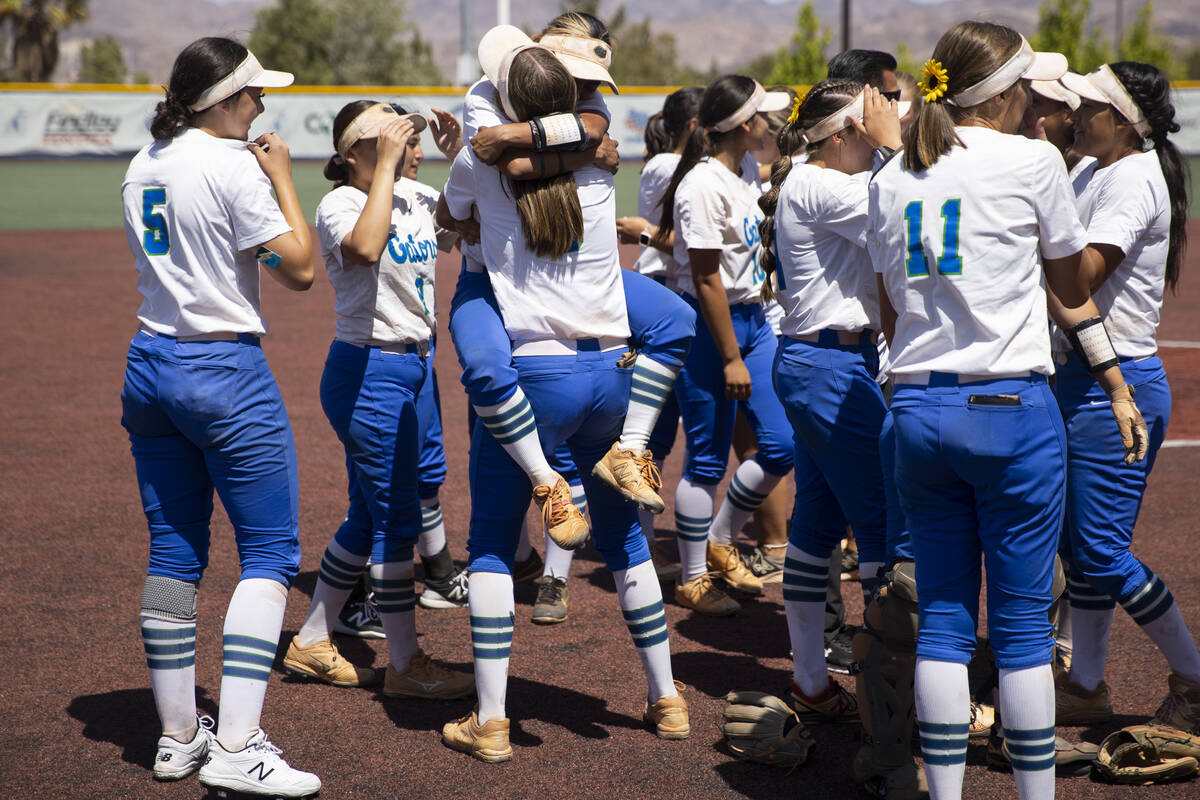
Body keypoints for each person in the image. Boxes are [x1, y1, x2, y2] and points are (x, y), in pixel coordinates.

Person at [867, 22, 1148, 800]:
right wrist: (1117, 385)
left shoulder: (893, 176)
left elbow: (886, 309)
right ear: (1009, 90)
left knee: (945, 622)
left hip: (919, 408)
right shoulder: (1032, 161)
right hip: (1010, 406)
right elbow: (1069, 291)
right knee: (1023, 627)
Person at [437, 28, 688, 762]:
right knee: (628, 540)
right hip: (610, 379)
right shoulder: (601, 163)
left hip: (534, 379)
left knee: (488, 545)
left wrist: (476, 163)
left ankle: (491, 722)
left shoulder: (480, 159)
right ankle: (667, 699)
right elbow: (590, 135)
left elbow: (458, 214)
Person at [120, 37, 320, 797]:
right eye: (256, 95)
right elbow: (299, 270)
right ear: (227, 100)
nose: (265, 106)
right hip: (222, 367)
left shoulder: (146, 161)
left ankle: (177, 737)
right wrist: (283, 181)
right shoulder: (236, 166)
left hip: (149, 362)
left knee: (173, 553)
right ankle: (236, 743)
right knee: (270, 553)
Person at [280, 100, 475, 703]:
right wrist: (390, 167)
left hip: (416, 364)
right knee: (393, 519)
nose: (408, 146)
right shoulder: (339, 204)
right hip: (367, 370)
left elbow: (467, 226)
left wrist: (459, 157)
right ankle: (404, 662)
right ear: (351, 153)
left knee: (373, 512)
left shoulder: (416, 193)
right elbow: (366, 248)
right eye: (394, 138)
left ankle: (312, 639)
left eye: (411, 138)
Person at [1052, 62, 1200, 731]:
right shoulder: (1092, 169)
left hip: (1116, 385)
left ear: (1123, 120)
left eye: (1087, 105)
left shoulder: (1133, 179)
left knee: (1104, 552)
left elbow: (1077, 277)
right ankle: (1084, 683)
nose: (1075, 113)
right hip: (1081, 377)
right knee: (1081, 548)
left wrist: (1013, 235)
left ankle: (1195, 681)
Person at [759, 78, 906, 726]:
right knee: (878, 523)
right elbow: (909, 210)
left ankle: (810, 680)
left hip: (822, 360)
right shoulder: (827, 185)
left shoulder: (817, 182)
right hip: (830, 365)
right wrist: (898, 147)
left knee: (818, 523)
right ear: (844, 135)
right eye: (868, 129)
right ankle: (887, 694)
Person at [654, 74, 794, 617]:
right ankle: (693, 578)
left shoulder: (746, 171)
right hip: (710, 327)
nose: (771, 122)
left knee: (780, 445)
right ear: (743, 124)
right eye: (764, 114)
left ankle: (718, 537)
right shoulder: (700, 184)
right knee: (706, 459)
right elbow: (706, 277)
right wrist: (731, 355)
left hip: (754, 318)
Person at [616, 85, 704, 584]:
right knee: (651, 429)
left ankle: (643, 538)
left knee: (661, 430)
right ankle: (637, 539)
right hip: (659, 294)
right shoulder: (666, 167)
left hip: (670, 293)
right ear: (693, 126)